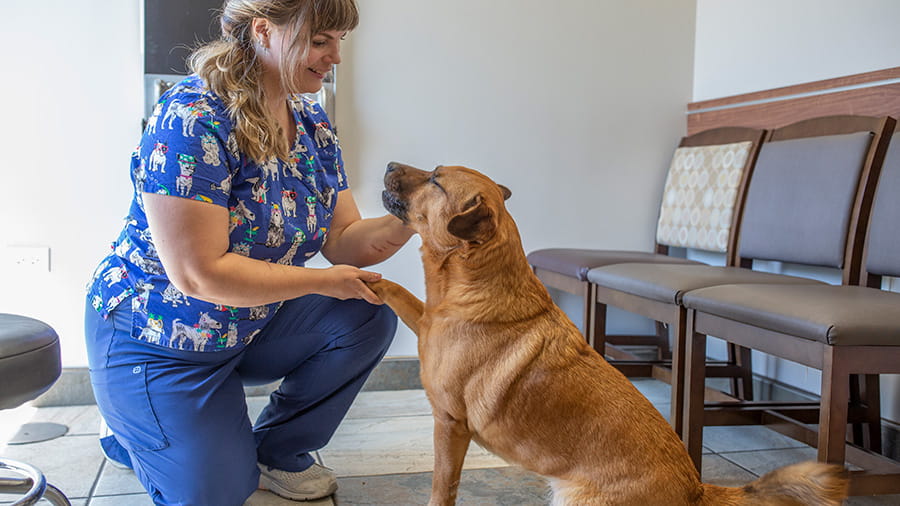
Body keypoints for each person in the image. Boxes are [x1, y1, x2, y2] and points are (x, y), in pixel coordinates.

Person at [84, 1, 413, 504]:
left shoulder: (311, 122)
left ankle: (276, 452)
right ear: (263, 30)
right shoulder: (191, 118)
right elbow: (199, 275)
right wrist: (324, 280)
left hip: (245, 324)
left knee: (366, 315)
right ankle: (134, 430)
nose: (336, 57)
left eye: (340, 41)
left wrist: (417, 214)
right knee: (217, 493)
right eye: (321, 41)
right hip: (156, 336)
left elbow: (345, 237)